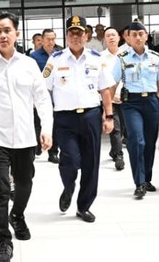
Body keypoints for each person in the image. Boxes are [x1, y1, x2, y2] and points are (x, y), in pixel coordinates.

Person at [0, 11, 53, 262]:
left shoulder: (28, 65)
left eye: (7, 30)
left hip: (25, 137)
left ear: (16, 33)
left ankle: (17, 215)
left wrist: (46, 128)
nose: (3, 35)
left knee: (24, 184)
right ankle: (3, 240)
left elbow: (42, 99)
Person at [44, 15, 115, 222]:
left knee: (92, 163)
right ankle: (68, 187)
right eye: (71, 33)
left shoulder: (96, 58)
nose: (75, 36)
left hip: (91, 116)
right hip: (64, 119)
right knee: (70, 161)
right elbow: (43, 91)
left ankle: (84, 206)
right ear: (66, 36)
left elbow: (105, 90)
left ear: (86, 35)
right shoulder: (55, 60)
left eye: (79, 33)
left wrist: (108, 115)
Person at [117, 21, 159, 199]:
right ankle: (139, 182)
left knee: (149, 142)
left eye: (141, 34)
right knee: (137, 140)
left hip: (151, 102)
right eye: (134, 35)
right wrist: (107, 108)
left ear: (146, 36)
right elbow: (111, 84)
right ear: (128, 38)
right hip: (130, 103)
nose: (138, 37)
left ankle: (147, 178)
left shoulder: (157, 58)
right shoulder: (122, 58)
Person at [30, 29, 60, 163]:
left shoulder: (60, 54)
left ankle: (53, 153)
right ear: (42, 40)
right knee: (38, 123)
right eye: (48, 39)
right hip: (40, 96)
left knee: (56, 125)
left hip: (57, 95)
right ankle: (38, 143)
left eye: (53, 39)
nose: (51, 42)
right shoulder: (34, 56)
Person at [101, 26, 126, 171]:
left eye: (113, 35)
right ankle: (119, 156)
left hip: (126, 97)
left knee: (122, 128)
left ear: (119, 38)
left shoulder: (126, 54)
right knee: (115, 128)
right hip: (109, 99)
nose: (111, 38)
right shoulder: (100, 57)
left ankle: (114, 150)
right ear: (104, 39)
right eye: (108, 35)